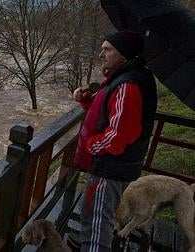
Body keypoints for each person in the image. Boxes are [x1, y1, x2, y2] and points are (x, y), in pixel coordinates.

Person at [69, 31, 158, 251]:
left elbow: (118, 135)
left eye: (107, 49)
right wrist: (87, 100)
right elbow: (110, 113)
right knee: (96, 214)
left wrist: (90, 145)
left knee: (98, 221)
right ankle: (86, 242)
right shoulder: (127, 77)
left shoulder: (128, 85)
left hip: (109, 169)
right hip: (117, 166)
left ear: (124, 55)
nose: (101, 54)